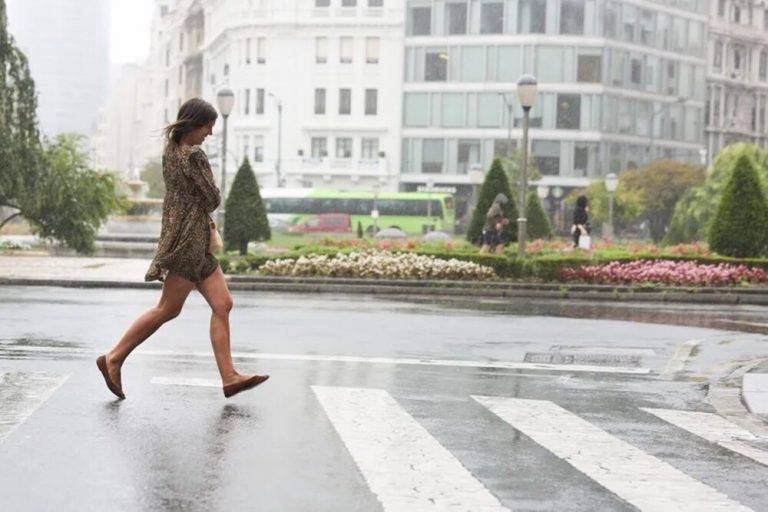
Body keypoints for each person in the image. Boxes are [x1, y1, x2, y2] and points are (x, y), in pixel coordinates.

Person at [96, 98, 269, 400]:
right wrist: (209, 190)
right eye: (207, 127)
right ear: (194, 124)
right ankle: (113, 358)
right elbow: (213, 198)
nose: (210, 134)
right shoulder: (194, 156)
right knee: (167, 308)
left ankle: (229, 377)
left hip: (191, 238)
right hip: (190, 241)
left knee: (222, 304)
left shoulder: (170, 152)